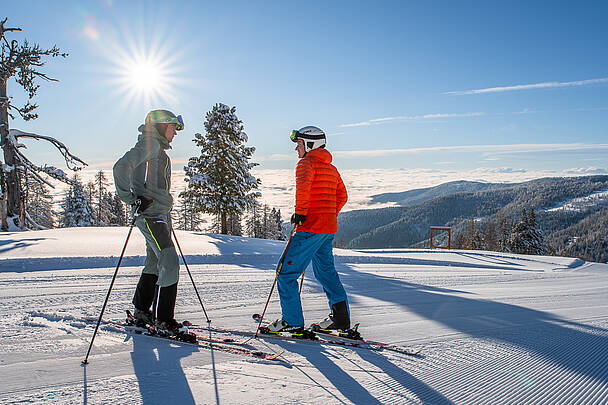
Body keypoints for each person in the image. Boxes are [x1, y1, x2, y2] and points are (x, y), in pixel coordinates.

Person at [268, 126, 350, 333]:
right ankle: (341, 319)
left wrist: (301, 214)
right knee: (326, 273)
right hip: (327, 229)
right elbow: (343, 197)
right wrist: (328, 214)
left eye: (299, 144)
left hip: (310, 227)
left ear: (310, 145)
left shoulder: (305, 164)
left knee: (286, 273)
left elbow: (303, 188)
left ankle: (292, 321)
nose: (296, 149)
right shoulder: (332, 169)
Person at [113, 109, 185, 334]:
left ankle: (142, 311)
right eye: (173, 127)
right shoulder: (150, 145)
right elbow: (120, 167)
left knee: (154, 263)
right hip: (152, 216)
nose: (175, 132)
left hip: (158, 214)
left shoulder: (154, 147)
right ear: (162, 126)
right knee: (170, 262)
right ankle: (164, 320)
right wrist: (131, 198)